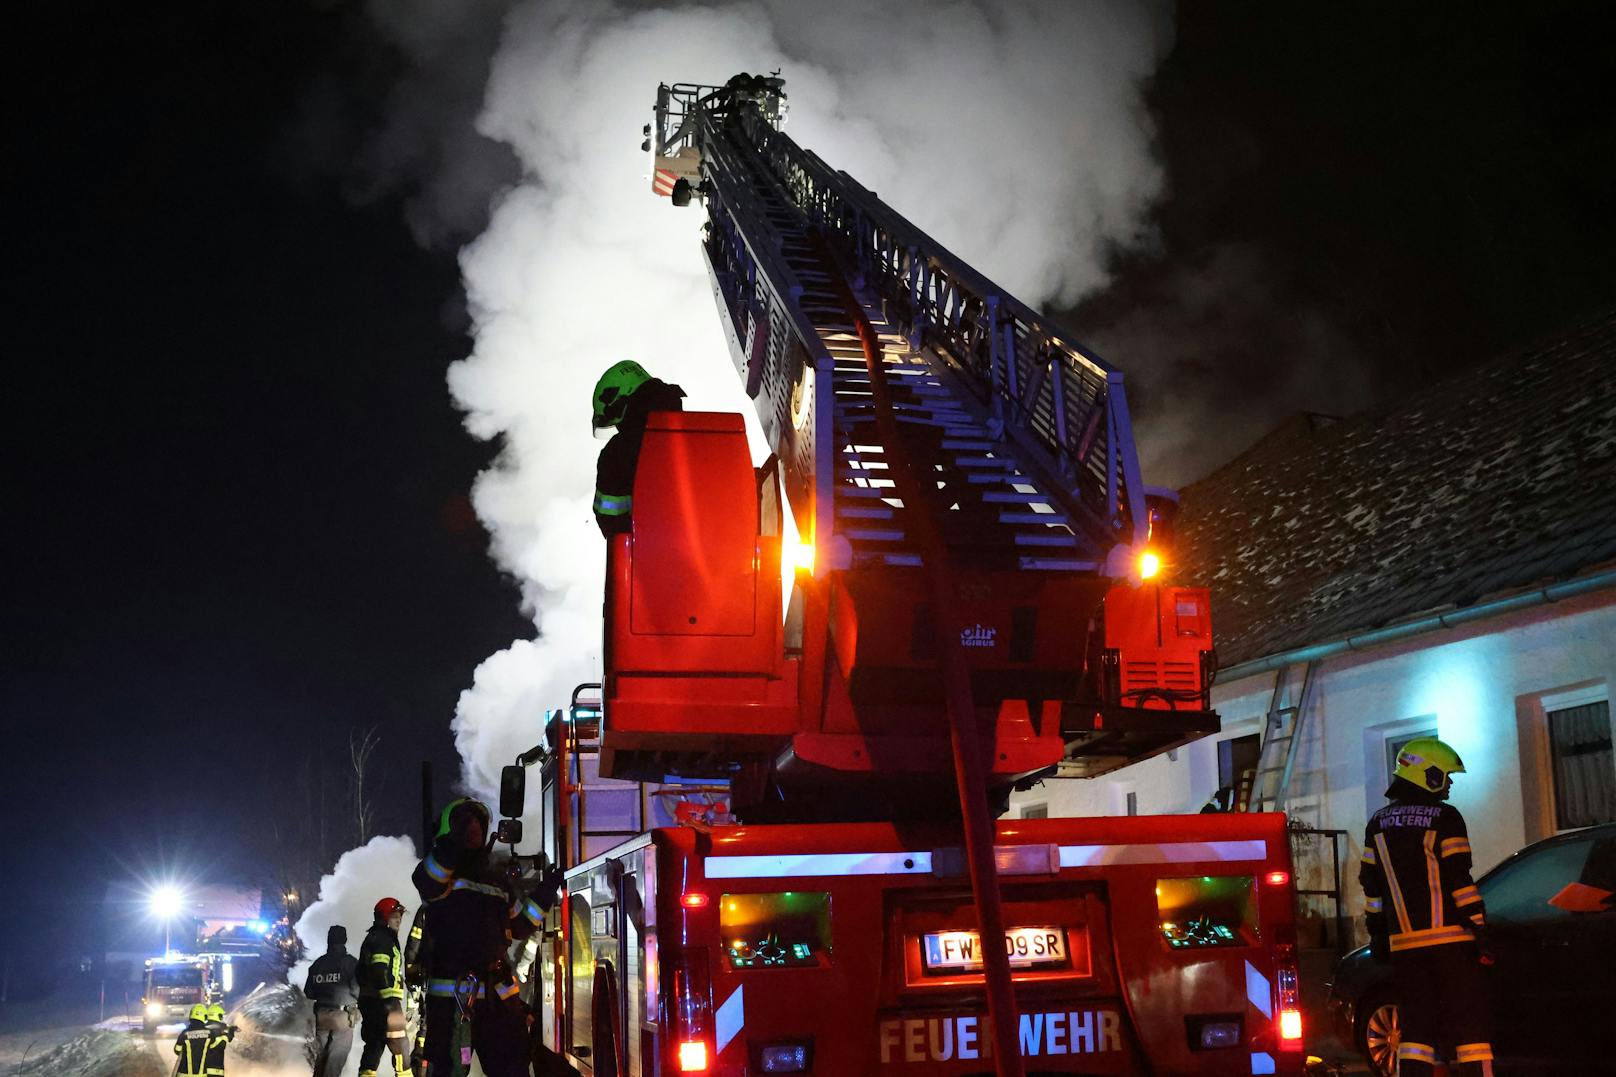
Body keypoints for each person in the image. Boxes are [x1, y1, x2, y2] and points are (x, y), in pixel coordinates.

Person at [1359, 736, 1493, 1076]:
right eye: (1445, 777)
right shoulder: (1446, 818)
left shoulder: (1376, 824)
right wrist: (1478, 926)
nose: (1448, 786)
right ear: (1428, 776)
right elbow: (1459, 880)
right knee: (1469, 1027)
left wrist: (1378, 934)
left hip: (1405, 947)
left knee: (1417, 1030)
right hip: (1450, 942)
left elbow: (1372, 888)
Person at [411, 797, 562, 1077]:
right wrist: (452, 845)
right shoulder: (439, 873)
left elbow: (522, 924)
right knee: (446, 1071)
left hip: (498, 1001)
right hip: (452, 1003)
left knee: (513, 1070)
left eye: (478, 824)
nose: (474, 829)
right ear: (451, 829)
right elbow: (428, 879)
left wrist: (546, 890)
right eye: (465, 823)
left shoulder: (496, 882)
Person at [591, 360, 686, 537]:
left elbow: (612, 526)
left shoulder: (617, 455)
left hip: (653, 558)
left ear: (620, 405)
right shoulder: (703, 432)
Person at [358, 897, 411, 1077]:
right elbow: (379, 968)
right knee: (401, 1047)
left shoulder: (376, 936)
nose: (399, 920)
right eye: (395, 916)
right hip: (385, 1003)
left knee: (374, 1046)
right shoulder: (383, 939)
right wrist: (389, 1002)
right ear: (384, 917)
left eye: (400, 916)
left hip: (371, 1002)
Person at [303, 924, 359, 1077]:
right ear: (345, 940)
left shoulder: (318, 964)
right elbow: (357, 990)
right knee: (335, 1061)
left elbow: (309, 992)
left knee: (321, 1059)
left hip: (321, 1016)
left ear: (328, 940)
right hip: (342, 1017)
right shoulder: (350, 963)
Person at [174, 1003, 213, 1077]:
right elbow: (213, 1048)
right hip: (201, 1074)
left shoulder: (185, 1033)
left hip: (184, 1074)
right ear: (203, 1016)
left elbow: (177, 1050)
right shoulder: (210, 1033)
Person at [204, 1002, 236, 1076]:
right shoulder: (221, 1027)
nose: (221, 1018)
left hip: (202, 1069)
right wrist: (232, 1031)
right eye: (221, 1016)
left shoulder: (203, 1027)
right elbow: (227, 1040)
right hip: (216, 1068)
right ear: (217, 1015)